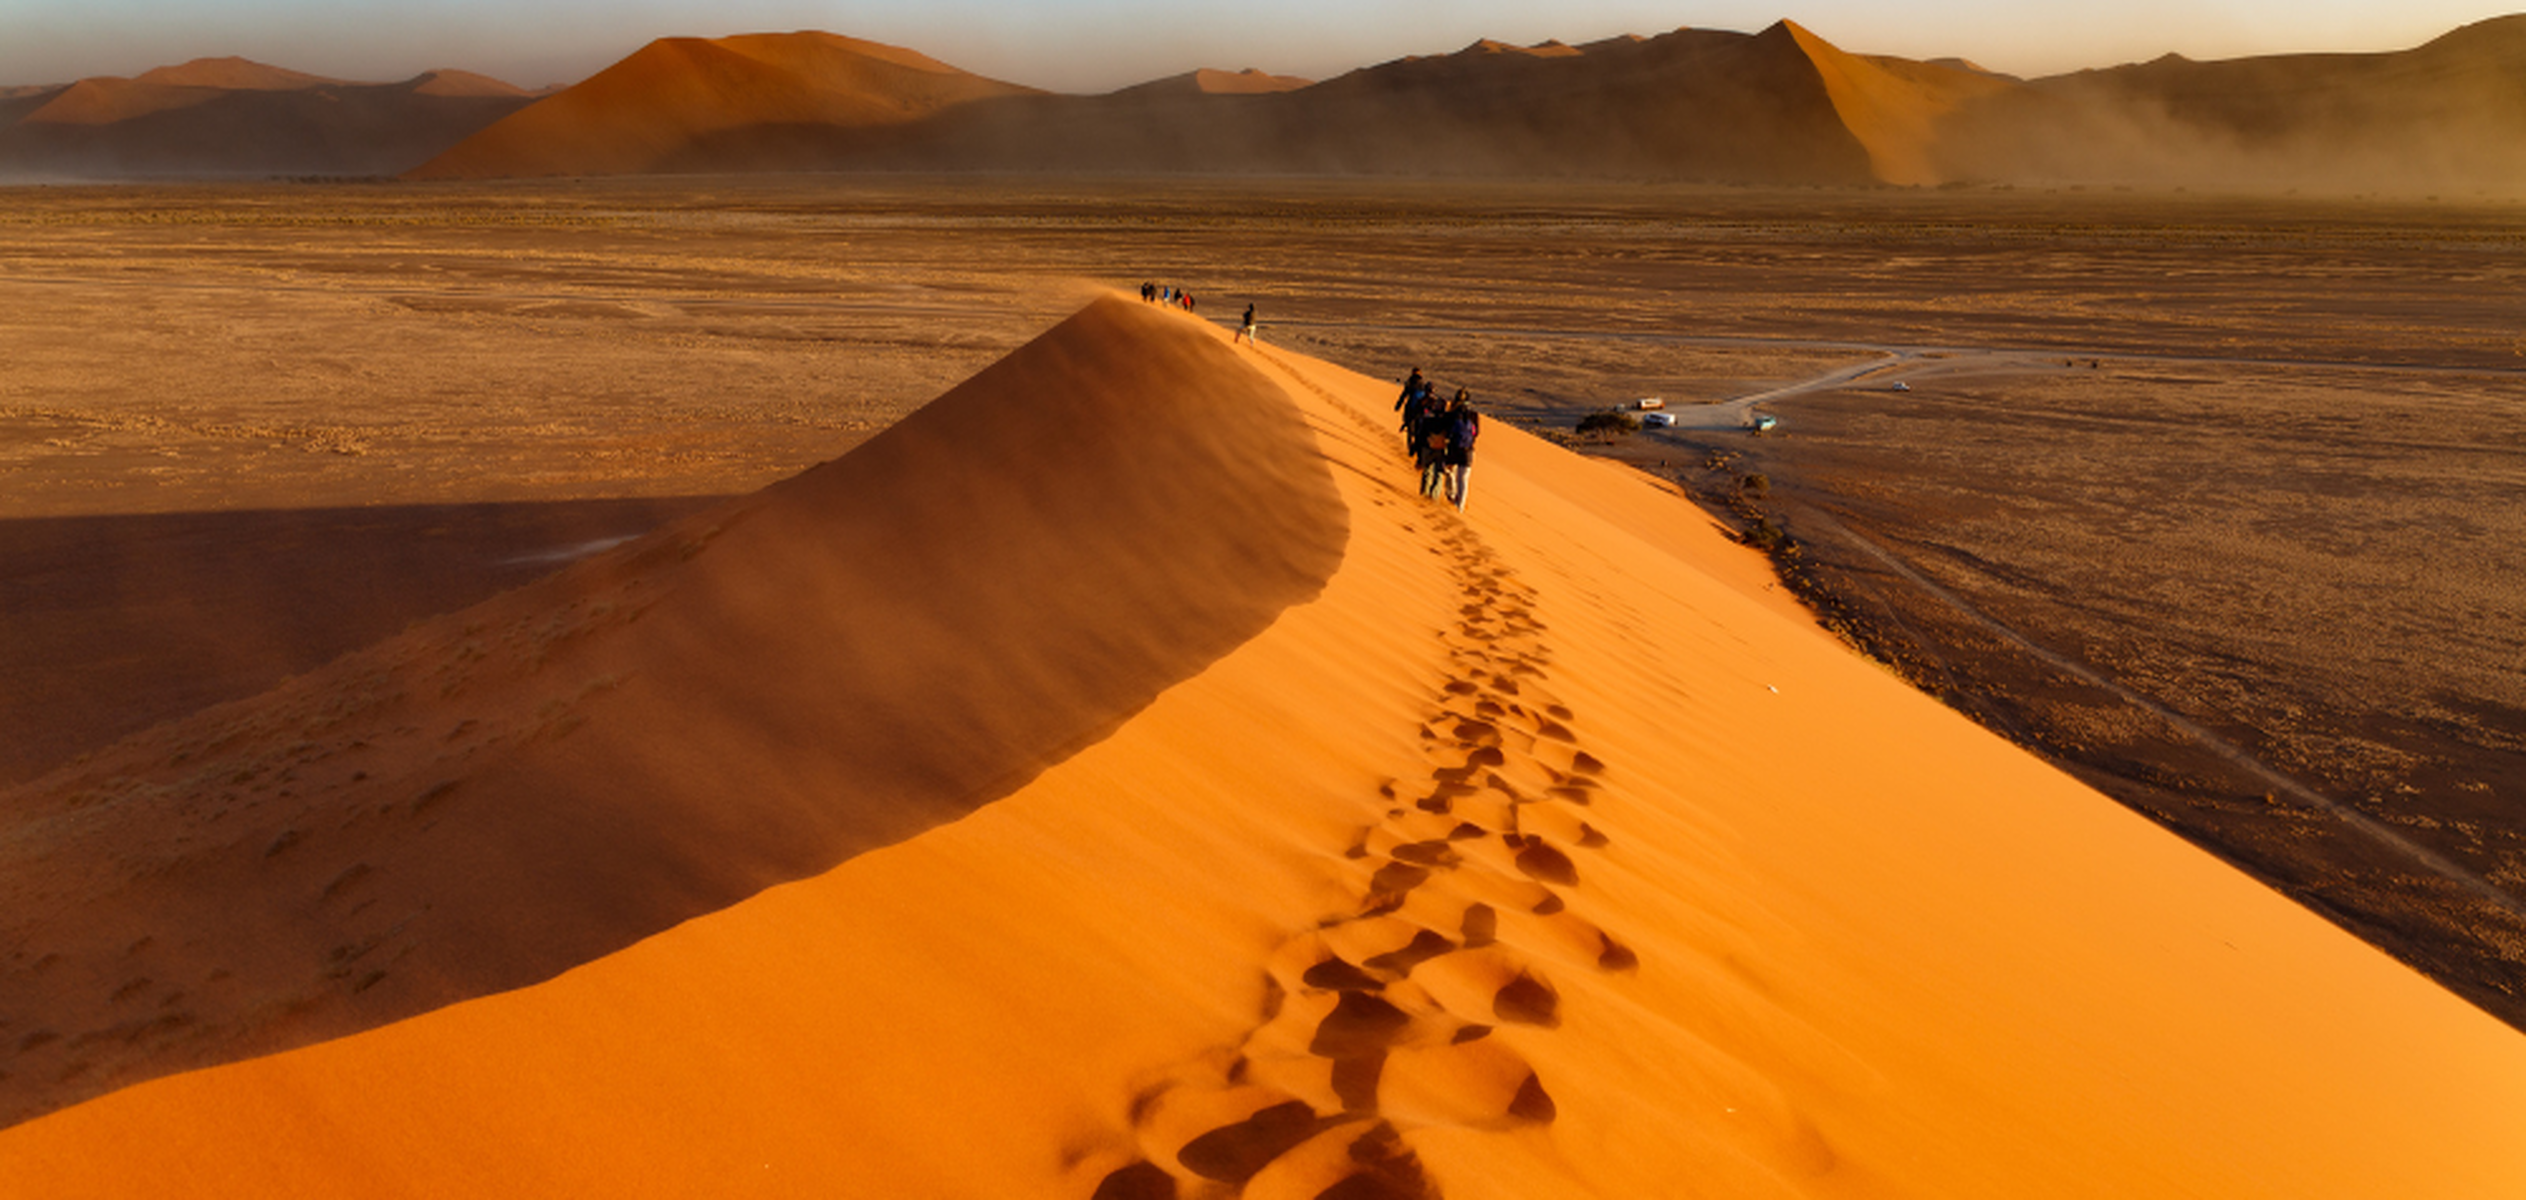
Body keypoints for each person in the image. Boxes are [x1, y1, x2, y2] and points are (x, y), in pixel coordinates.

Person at [1441, 389, 1480, 512]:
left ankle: (1452, 494)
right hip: (1468, 451)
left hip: (1454, 449)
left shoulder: (1452, 414)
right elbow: (1476, 432)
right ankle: (1460, 507)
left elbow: (1445, 429)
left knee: (1447, 469)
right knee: (1464, 479)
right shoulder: (1473, 415)